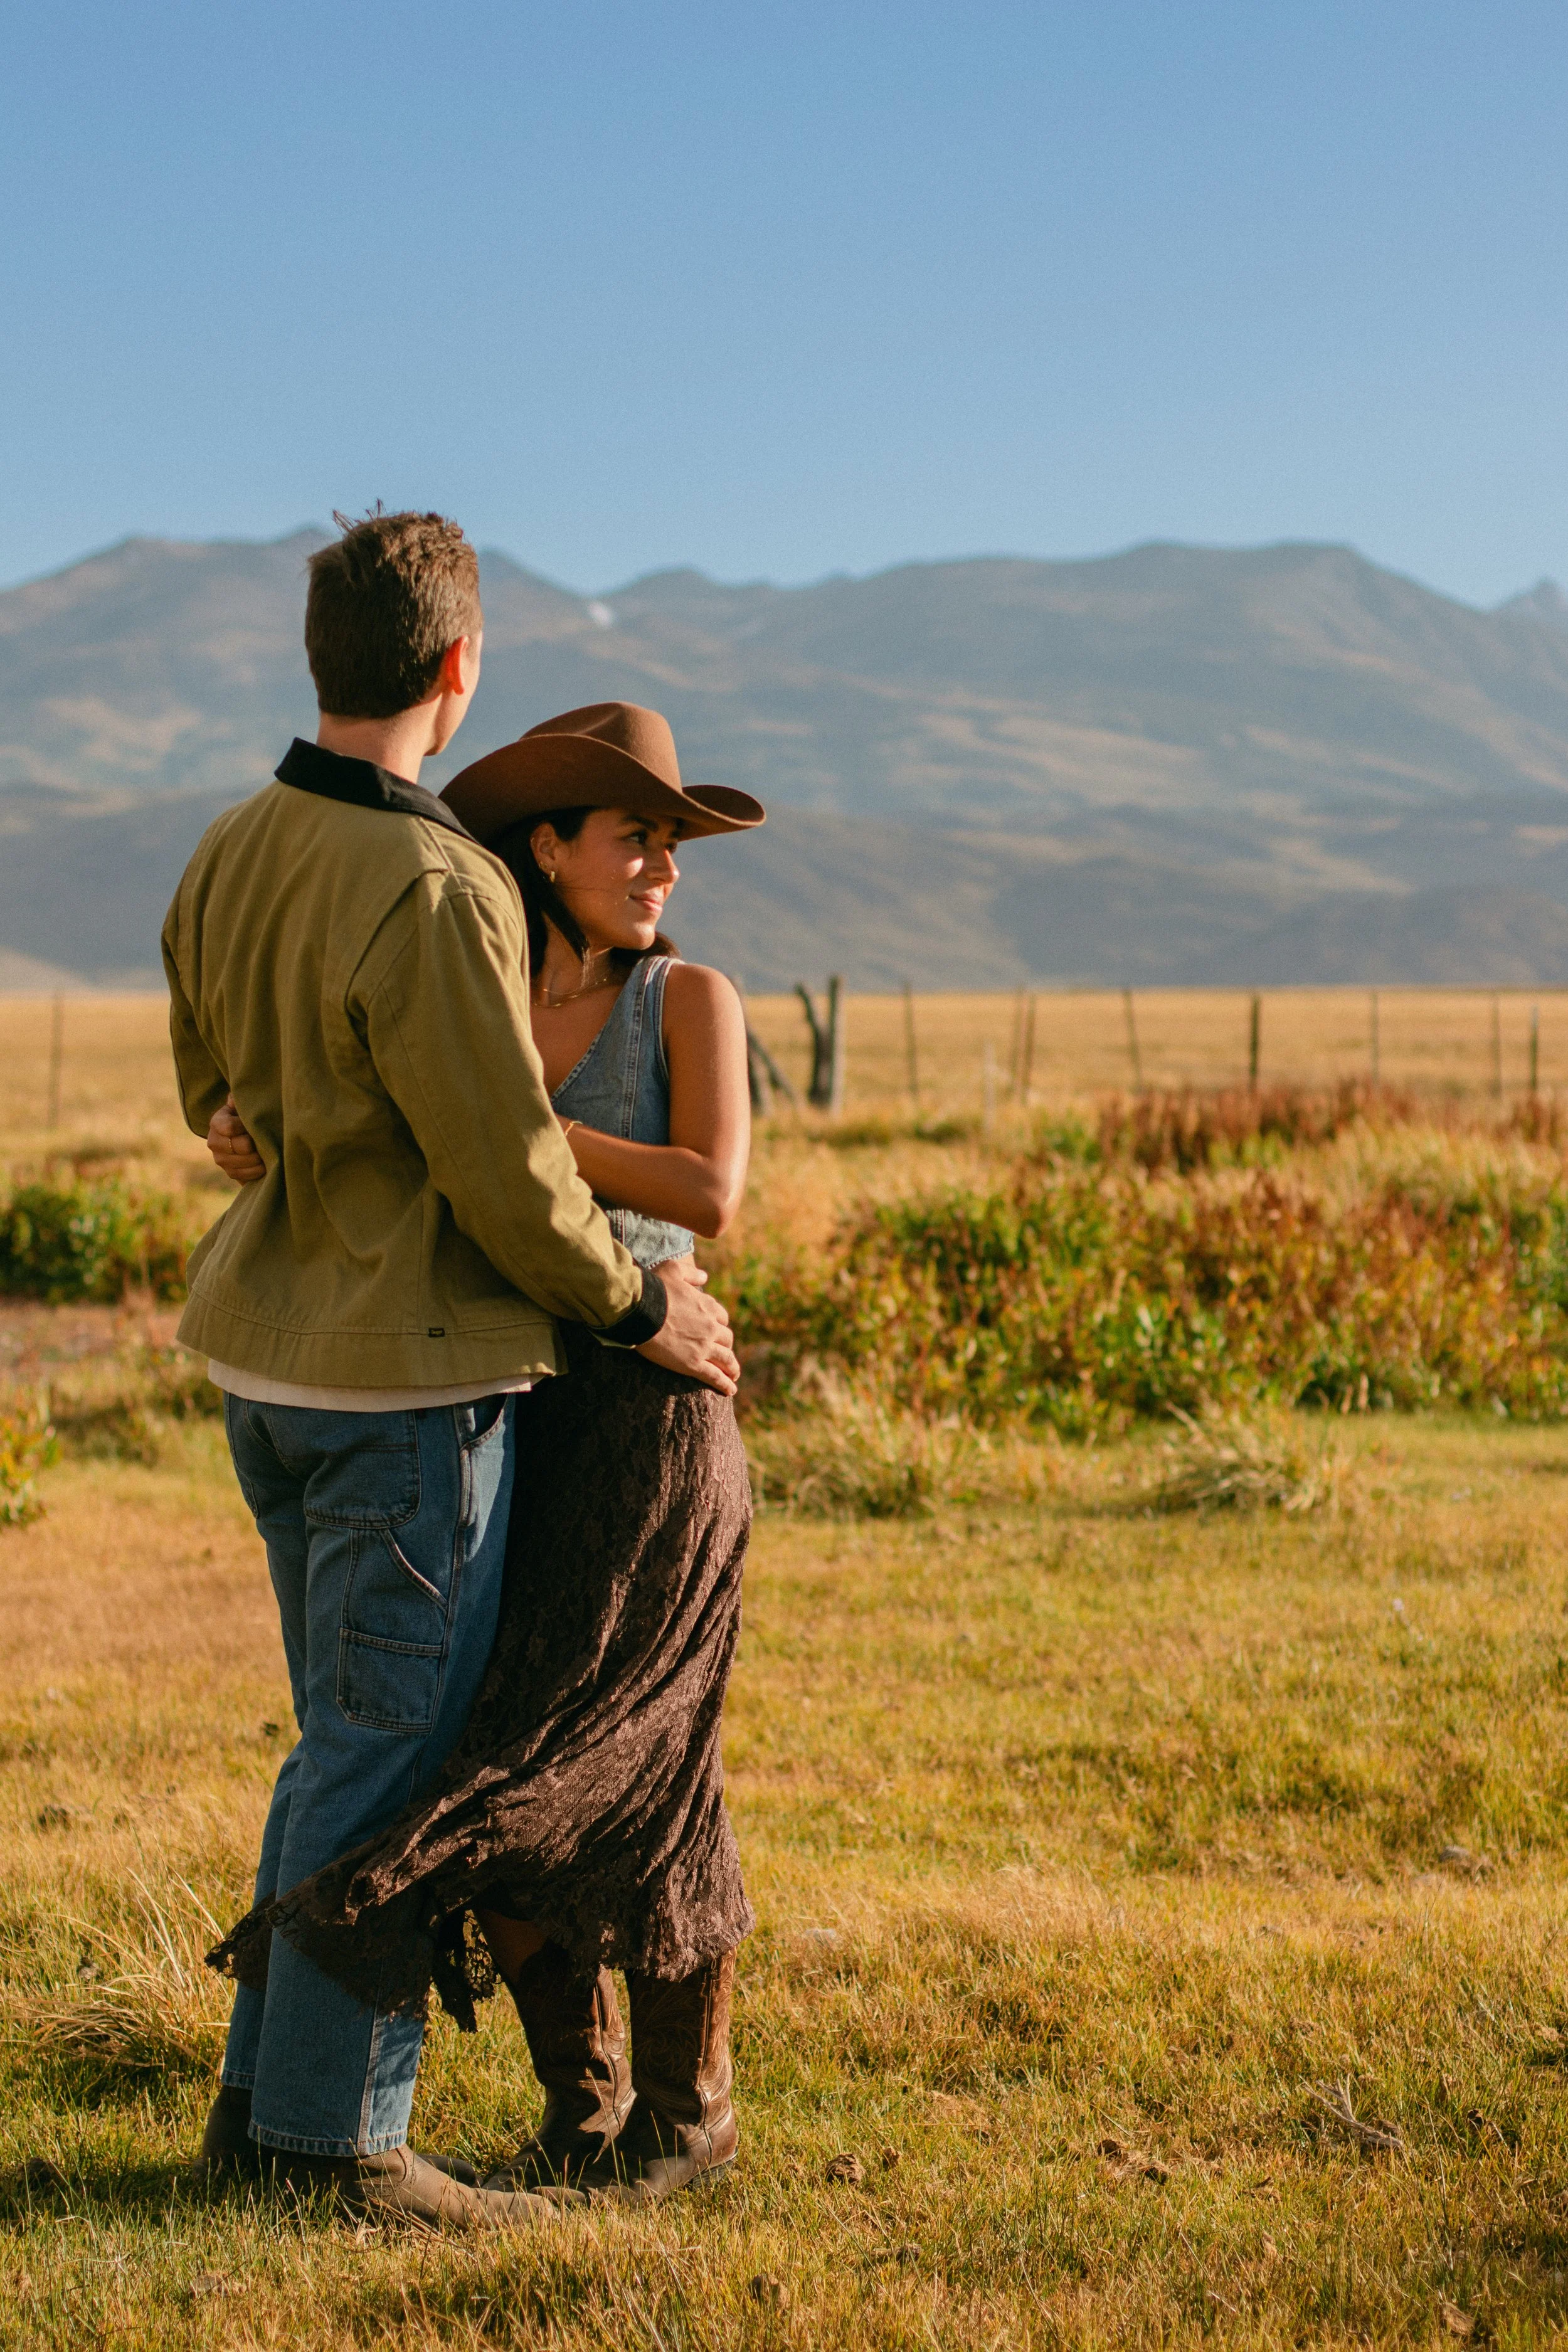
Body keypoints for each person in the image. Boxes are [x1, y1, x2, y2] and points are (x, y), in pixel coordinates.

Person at [162, 514, 738, 2231]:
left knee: (333, 1748)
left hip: (264, 1361)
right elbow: (503, 1165)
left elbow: (211, 1087)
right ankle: (333, 2144)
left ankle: (259, 2114)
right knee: (388, 1765)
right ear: (458, 665)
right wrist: (637, 1316)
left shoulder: (227, 846)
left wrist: (239, 1118)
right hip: (402, 1380)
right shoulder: (425, 884)